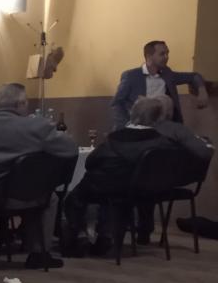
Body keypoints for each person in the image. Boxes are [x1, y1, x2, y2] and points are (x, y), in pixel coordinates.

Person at [62, 96, 213, 257]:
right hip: (139, 191)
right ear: (157, 118)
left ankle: (76, 239)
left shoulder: (116, 138)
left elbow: (91, 162)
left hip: (105, 186)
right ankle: (105, 238)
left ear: (132, 114)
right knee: (113, 197)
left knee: (74, 198)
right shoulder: (162, 142)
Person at [0, 82, 76, 269]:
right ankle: (39, 252)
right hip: (23, 195)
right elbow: (70, 149)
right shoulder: (37, 126)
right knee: (50, 198)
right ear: (21, 104)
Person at [111, 40, 208, 131]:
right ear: (149, 56)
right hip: (138, 126)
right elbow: (116, 103)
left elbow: (194, 76)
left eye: (167, 53)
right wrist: (125, 126)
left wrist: (202, 91)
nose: (167, 57)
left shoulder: (168, 74)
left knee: (190, 138)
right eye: (162, 54)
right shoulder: (131, 76)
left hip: (163, 126)